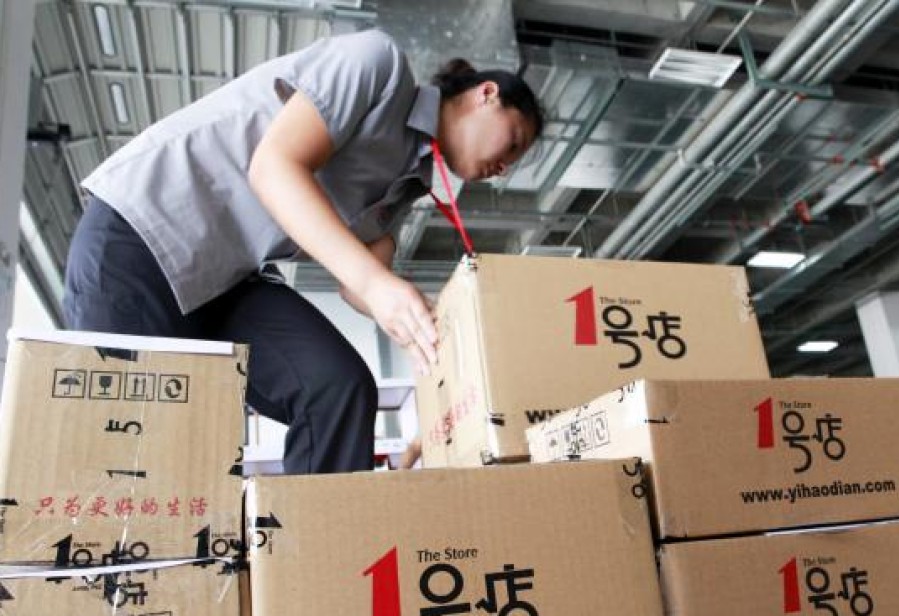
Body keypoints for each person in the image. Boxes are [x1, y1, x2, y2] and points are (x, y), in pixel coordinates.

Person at [62, 29, 543, 475]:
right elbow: (273, 167)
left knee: (336, 387)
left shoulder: (411, 183)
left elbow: (363, 284)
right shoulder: (379, 63)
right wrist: (379, 289)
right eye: (513, 143)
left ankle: (312, 554)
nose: (503, 168)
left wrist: (433, 324)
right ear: (486, 95)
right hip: (147, 232)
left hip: (227, 279)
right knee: (145, 452)